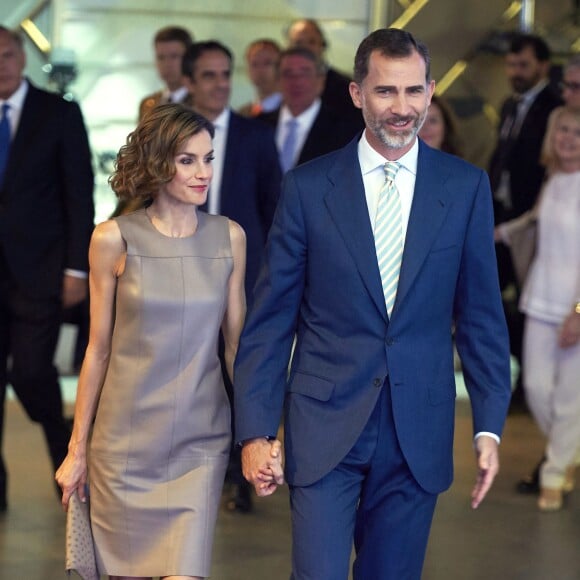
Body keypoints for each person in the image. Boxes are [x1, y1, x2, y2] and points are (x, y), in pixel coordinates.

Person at [235, 28, 511, 580]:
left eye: (413, 92)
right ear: (357, 93)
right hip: (323, 423)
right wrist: (256, 431)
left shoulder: (464, 188)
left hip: (418, 431)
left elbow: (481, 315)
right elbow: (270, 321)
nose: (402, 108)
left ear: (431, 91)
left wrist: (489, 426)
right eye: (386, 92)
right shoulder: (308, 188)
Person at [56, 104, 262, 579]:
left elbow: (237, 349)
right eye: (188, 160)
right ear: (157, 161)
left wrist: (260, 432)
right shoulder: (113, 238)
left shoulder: (229, 237)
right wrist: (77, 449)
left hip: (200, 442)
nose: (203, 172)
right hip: (123, 446)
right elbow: (98, 349)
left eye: (209, 159)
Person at [182, 40, 281, 512]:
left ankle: (239, 467)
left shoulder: (255, 135)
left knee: (237, 360)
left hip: (242, 268)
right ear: (189, 81)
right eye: (208, 75)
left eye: (226, 74)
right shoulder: (167, 130)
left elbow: (273, 206)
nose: (221, 84)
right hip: (180, 265)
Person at [0, 25, 95, 511]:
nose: (2, 63)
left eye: (8, 53)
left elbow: (79, 193)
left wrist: (78, 269)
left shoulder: (58, 113)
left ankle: (67, 460)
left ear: (22, 58)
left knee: (32, 372)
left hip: (40, 271)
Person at [496, 106, 580, 511]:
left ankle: (554, 475)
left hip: (574, 308)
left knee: (569, 398)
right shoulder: (554, 180)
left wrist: (579, 312)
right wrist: (499, 232)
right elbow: (536, 220)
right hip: (540, 299)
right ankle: (570, 451)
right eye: (562, 129)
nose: (569, 138)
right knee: (536, 390)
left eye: (578, 132)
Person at [488, 33, 562, 414]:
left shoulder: (554, 107)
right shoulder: (509, 105)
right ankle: (508, 373)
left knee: (528, 298)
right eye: (511, 65)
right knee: (489, 297)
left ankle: (529, 378)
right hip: (501, 215)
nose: (515, 72)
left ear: (543, 66)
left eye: (523, 65)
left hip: (531, 220)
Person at [257, 47, 363, 173]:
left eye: (305, 73)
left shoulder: (347, 131)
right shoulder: (258, 126)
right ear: (278, 80)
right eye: (288, 73)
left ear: (321, 80)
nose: (296, 82)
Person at [286, 18, 362, 123]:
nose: (305, 48)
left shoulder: (344, 87)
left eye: (311, 42)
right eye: (298, 43)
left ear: (323, 46)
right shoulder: (279, 84)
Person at [138, 26, 194, 121]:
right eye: (161, 57)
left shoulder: (201, 103)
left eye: (174, 56)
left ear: (189, 58)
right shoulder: (148, 104)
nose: (167, 64)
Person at [237, 39, 282, 117]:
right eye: (254, 64)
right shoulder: (242, 114)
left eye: (267, 63)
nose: (260, 70)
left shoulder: (291, 110)